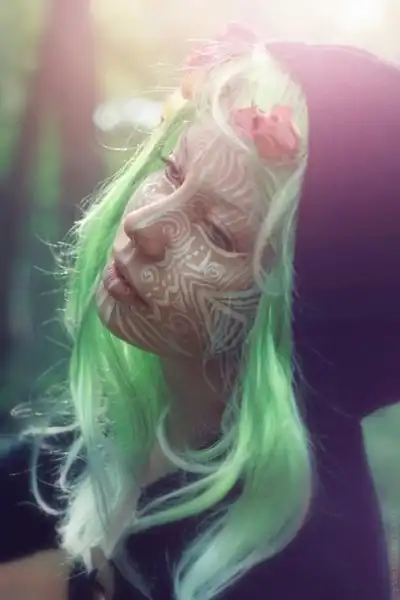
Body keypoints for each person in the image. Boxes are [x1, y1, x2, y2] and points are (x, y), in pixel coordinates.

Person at [0, 23, 399, 600]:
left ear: (308, 312)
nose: (144, 224)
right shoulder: (138, 431)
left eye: (216, 231)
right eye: (173, 171)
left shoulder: (300, 573)